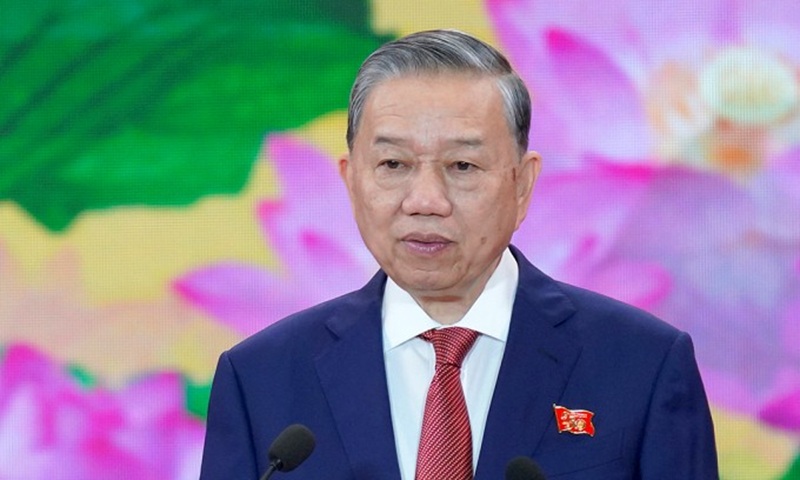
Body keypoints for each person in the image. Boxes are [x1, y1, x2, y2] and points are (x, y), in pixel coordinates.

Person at [199, 29, 718, 479]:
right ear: (350, 180)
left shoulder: (642, 366)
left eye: (463, 166)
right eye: (393, 164)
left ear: (522, 185)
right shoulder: (261, 380)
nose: (426, 200)